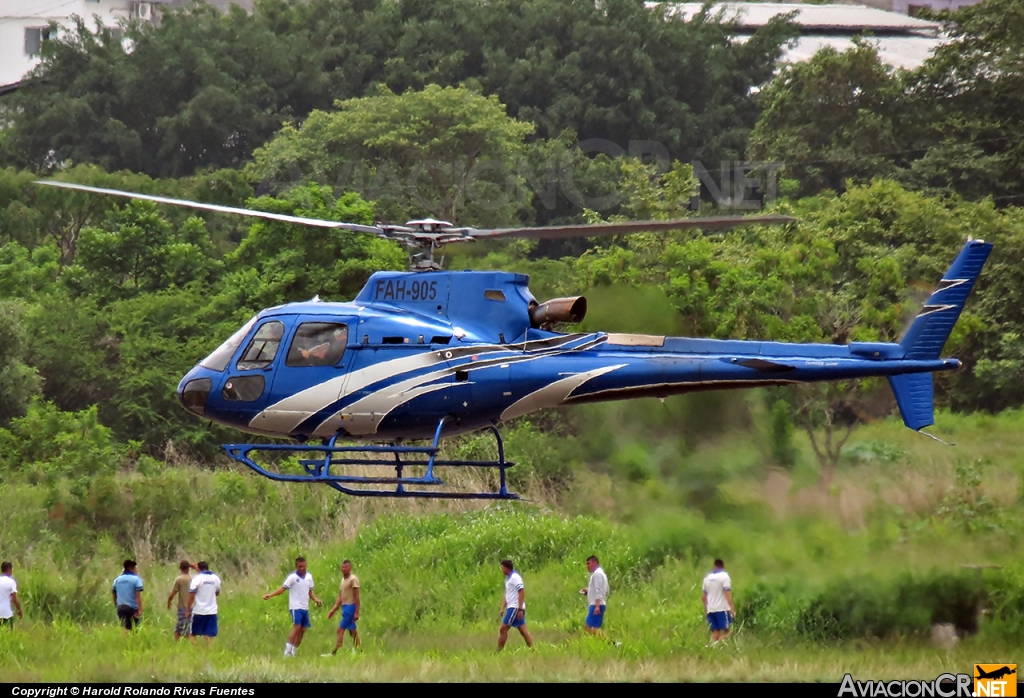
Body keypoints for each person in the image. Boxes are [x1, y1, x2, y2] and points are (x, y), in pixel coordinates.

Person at [263, 556, 323, 657]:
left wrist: (316, 599)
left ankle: (294, 651)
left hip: (305, 607)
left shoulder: (309, 577)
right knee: (297, 627)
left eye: (303, 566)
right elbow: (282, 589)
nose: (302, 568)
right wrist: (270, 595)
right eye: (299, 566)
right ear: (296, 566)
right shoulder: (292, 578)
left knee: (303, 630)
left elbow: (310, 592)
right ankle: (287, 651)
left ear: (306, 565)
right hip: (295, 607)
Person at [497, 559, 533, 651]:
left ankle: (498, 651)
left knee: (503, 629)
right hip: (511, 606)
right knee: (523, 630)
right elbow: (507, 595)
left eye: (502, 568)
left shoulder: (515, 577)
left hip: (515, 607)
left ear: (506, 568)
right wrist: (502, 608)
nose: (501, 570)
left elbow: (521, 591)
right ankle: (532, 649)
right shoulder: (508, 579)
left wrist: (520, 609)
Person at [326, 559, 360, 654]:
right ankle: (359, 649)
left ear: (350, 568)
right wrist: (333, 610)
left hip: (351, 607)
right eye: (343, 567)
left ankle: (336, 651)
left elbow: (357, 596)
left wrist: (357, 611)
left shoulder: (353, 579)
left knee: (340, 630)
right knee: (352, 630)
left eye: (346, 567)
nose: (344, 569)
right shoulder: (343, 580)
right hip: (345, 607)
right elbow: (340, 596)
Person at [188, 561, 222, 647]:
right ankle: (208, 651)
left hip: (199, 610)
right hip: (212, 611)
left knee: (192, 634)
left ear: (198, 568)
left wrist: (188, 609)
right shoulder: (216, 578)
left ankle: (197, 650)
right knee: (209, 635)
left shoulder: (197, 579)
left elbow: (192, 595)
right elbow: (217, 593)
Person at [702, 558, 735, 645]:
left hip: (711, 609)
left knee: (715, 632)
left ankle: (711, 648)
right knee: (728, 630)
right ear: (723, 566)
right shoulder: (724, 577)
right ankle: (717, 646)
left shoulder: (707, 578)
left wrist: (706, 610)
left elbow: (703, 597)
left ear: (714, 566)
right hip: (722, 608)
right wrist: (732, 608)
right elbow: (727, 593)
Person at [580, 555, 611, 639]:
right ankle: (606, 643)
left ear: (595, 562)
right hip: (597, 603)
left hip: (596, 605)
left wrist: (597, 606)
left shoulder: (597, 574)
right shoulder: (600, 574)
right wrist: (588, 591)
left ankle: (611, 643)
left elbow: (599, 590)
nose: (587, 566)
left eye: (589, 563)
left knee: (591, 628)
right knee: (590, 628)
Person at [167, 560, 198, 642]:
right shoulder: (194, 578)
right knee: (178, 629)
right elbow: (202, 572)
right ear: (189, 568)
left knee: (186, 630)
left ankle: (196, 647)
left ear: (180, 568)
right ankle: (175, 646)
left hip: (183, 607)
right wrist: (193, 566)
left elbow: (173, 593)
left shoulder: (179, 579)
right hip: (193, 606)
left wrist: (169, 601)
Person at [111, 559, 144, 635]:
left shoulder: (117, 580)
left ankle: (124, 643)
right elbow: (137, 595)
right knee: (135, 628)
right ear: (131, 568)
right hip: (132, 608)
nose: (136, 570)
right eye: (135, 568)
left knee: (124, 627)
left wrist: (117, 605)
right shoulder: (136, 579)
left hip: (121, 607)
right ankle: (134, 644)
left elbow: (114, 594)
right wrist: (140, 609)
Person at [0, 562, 23, 629]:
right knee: (7, 634)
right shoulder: (11, 582)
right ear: (9, 569)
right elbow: (14, 599)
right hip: (6, 613)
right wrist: (19, 609)